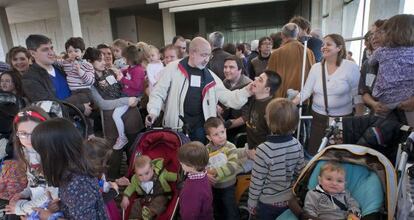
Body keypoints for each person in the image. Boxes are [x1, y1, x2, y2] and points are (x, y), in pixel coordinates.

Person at [146, 37, 252, 143]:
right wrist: (153, 112)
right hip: (175, 128)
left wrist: (247, 90)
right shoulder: (172, 68)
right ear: (192, 53)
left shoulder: (210, 76)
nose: (207, 59)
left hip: (201, 129)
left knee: (199, 158)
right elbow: (158, 93)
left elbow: (229, 98)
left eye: (208, 55)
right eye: (203, 55)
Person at [293, 34, 361, 155]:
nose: (324, 47)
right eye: (323, 44)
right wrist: (290, 104)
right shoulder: (316, 68)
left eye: (328, 44)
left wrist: (359, 121)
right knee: (316, 153)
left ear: (339, 48)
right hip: (319, 119)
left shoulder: (350, 67)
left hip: (342, 121)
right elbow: (306, 91)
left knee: (338, 155)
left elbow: (358, 96)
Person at [30, 118, 107, 219]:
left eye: (41, 152)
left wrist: (49, 217)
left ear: (53, 153)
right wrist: (62, 205)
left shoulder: (77, 184)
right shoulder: (73, 170)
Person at [248, 98, 305, 220]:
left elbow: (257, 181)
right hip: (291, 202)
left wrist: (251, 204)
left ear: (269, 122)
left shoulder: (263, 149)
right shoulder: (297, 144)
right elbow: (300, 173)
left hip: (268, 204)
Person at [22, 34, 92, 116]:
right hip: (57, 125)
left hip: (80, 121)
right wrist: (81, 108)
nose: (51, 52)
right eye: (45, 50)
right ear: (33, 53)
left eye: (51, 48)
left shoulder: (62, 68)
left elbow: (84, 88)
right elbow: (47, 107)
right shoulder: (30, 78)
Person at [83, 47, 138, 150]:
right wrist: (126, 101)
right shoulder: (89, 81)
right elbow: (102, 104)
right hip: (111, 124)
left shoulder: (111, 72)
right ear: (90, 62)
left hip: (131, 119)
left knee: (133, 154)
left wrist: (135, 99)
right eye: (100, 60)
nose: (104, 62)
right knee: (114, 158)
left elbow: (127, 89)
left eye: (104, 59)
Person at [2, 107, 50, 219]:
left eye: (35, 133)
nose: (28, 139)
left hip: (53, 207)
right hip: (36, 203)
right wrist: (23, 194)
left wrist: (22, 208)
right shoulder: (27, 152)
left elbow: (53, 194)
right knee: (10, 213)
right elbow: (35, 182)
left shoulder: (53, 155)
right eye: (23, 133)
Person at [227, 70, 281, 164]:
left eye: (260, 80)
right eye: (257, 77)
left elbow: (275, 138)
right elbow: (247, 117)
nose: (255, 79)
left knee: (225, 171)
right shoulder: (254, 98)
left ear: (267, 89)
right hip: (249, 147)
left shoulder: (272, 109)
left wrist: (256, 151)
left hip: (261, 154)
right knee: (224, 157)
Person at [369, 14, 414, 126]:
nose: (375, 36)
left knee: (379, 131)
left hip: (385, 102)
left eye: (381, 32)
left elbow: (370, 61)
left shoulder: (381, 51)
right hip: (405, 101)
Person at [204, 117, 240, 220]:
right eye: (216, 134)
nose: (221, 137)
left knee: (230, 211)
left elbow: (232, 166)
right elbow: (201, 165)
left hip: (227, 186)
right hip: (213, 187)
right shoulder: (206, 149)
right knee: (217, 211)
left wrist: (212, 172)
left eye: (222, 132)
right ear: (209, 137)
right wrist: (205, 172)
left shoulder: (230, 147)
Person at [267, 23, 316, 98]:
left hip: (282, 99)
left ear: (282, 35)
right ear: (297, 34)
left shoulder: (276, 54)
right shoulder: (309, 52)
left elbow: (270, 77)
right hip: (303, 98)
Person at [121, 155, 177, 220]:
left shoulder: (161, 174)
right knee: (136, 204)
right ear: (135, 173)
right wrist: (125, 197)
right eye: (140, 175)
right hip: (145, 197)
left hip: (160, 195)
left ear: (152, 168)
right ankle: (134, 218)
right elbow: (130, 188)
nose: (144, 177)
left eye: (147, 173)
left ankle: (150, 213)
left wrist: (179, 178)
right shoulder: (135, 179)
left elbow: (172, 176)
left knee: (160, 202)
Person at [84, 137, 121, 220]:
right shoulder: (86, 180)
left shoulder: (97, 172)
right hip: (102, 208)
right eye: (105, 161)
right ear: (97, 162)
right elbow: (94, 204)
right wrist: (113, 191)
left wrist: (112, 183)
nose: (106, 164)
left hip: (105, 200)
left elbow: (102, 184)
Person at [177, 141, 213, 220]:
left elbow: (189, 214)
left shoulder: (192, 190)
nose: (180, 163)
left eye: (182, 163)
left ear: (192, 166)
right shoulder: (204, 176)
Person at [220, 56, 252, 141]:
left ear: (240, 70)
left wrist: (224, 126)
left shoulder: (248, 86)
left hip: (240, 129)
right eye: (225, 67)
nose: (227, 70)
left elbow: (246, 116)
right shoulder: (225, 82)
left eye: (231, 67)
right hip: (226, 123)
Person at [61, 37, 95, 105]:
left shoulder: (87, 65)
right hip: (73, 92)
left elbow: (91, 81)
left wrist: (80, 71)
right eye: (70, 52)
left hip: (84, 92)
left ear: (83, 52)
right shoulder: (66, 63)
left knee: (66, 103)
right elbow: (57, 62)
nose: (73, 53)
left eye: (76, 51)